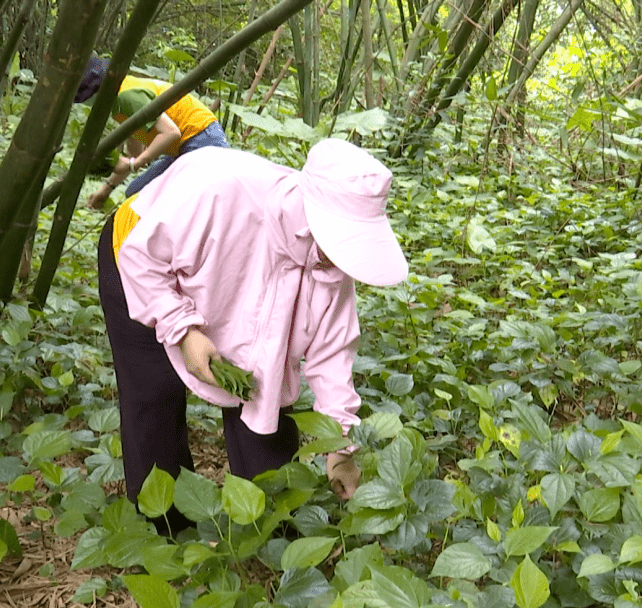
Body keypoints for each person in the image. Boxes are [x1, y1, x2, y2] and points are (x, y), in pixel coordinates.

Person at [97, 138, 408, 535]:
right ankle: (165, 532)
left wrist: (341, 450)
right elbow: (142, 258)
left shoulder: (329, 262)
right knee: (153, 396)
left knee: (263, 386)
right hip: (138, 256)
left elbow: (332, 358)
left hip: (215, 284)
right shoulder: (221, 194)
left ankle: (274, 530)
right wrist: (183, 330)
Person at [74, 55, 231, 208]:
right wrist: (106, 188)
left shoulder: (126, 97)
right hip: (182, 149)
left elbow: (171, 133)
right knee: (135, 193)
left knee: (178, 204)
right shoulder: (119, 103)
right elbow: (134, 152)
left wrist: (134, 165)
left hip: (202, 139)